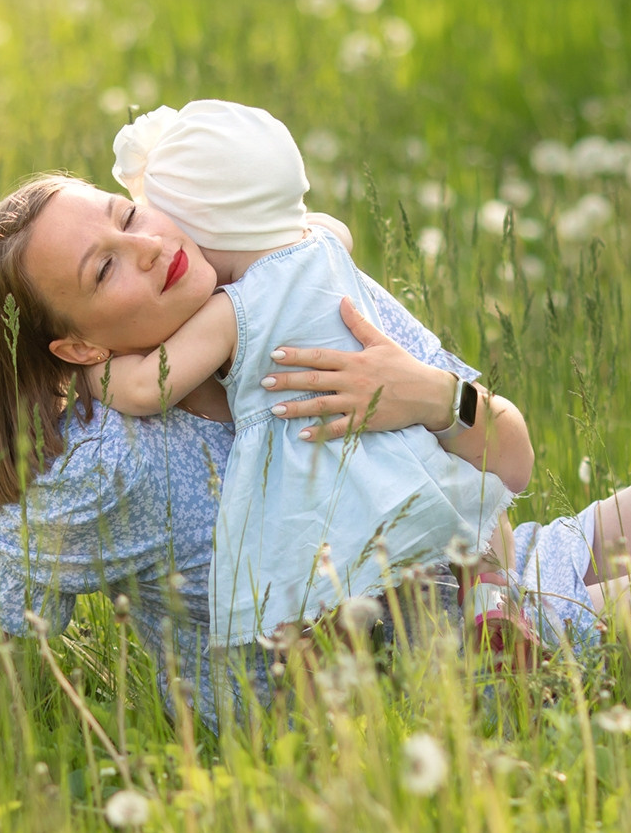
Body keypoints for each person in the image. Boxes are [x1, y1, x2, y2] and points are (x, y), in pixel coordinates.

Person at [0, 165, 631, 730]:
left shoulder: (295, 291)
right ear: (78, 346)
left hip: (491, 583)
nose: (146, 246)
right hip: (426, 682)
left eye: (127, 215)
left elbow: (509, 459)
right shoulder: (122, 458)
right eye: (104, 268)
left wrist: (434, 396)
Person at [81, 99, 520, 652]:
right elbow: (326, 224)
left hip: (318, 479)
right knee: (471, 507)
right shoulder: (327, 245)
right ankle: (492, 598)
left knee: (317, 584)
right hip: (402, 453)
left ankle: (338, 659)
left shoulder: (232, 311)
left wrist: (88, 371)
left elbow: (148, 387)